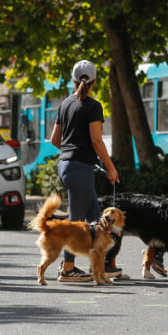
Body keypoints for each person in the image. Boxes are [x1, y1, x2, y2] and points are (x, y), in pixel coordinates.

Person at [49, 60, 120, 282]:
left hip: (66, 166)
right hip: (80, 169)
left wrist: (72, 153)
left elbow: (55, 140)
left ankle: (100, 264)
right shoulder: (93, 106)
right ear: (94, 82)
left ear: (74, 80)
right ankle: (67, 268)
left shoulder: (65, 104)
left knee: (95, 216)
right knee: (76, 223)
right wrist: (110, 167)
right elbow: (97, 141)